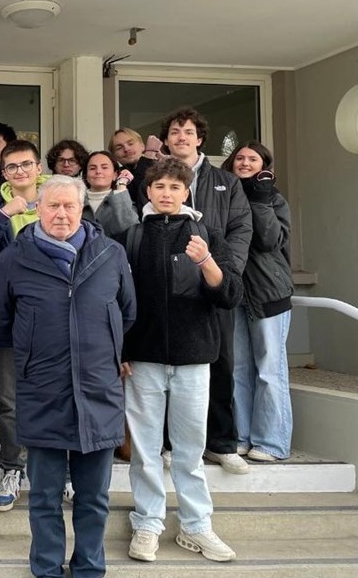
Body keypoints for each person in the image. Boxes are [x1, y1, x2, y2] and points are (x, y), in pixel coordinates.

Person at [0, 175, 135, 578]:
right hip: (42, 391)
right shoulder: (13, 259)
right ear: (37, 206)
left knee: (93, 497)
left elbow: (128, 313)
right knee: (45, 496)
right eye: (53, 205)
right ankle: (47, 568)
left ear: (82, 208)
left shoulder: (110, 254)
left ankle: (90, 568)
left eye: (70, 206)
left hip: (97, 392)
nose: (61, 214)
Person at [121, 158, 243, 564]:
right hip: (143, 359)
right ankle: (147, 522)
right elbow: (119, 302)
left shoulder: (206, 234)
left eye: (175, 186)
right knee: (146, 449)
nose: (167, 193)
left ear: (186, 191)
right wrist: (120, 352)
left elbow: (229, 296)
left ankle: (196, 526)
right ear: (148, 192)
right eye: (160, 187)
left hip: (194, 358)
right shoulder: (131, 238)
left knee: (191, 450)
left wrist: (206, 260)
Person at [160, 107, 252, 474]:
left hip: (214, 286)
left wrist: (226, 274)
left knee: (221, 363)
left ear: (200, 139)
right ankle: (171, 444)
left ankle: (221, 443)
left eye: (188, 132)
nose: (181, 137)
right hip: (170, 290)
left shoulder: (225, 182)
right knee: (170, 365)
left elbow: (241, 230)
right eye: (174, 132)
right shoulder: (154, 178)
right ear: (166, 140)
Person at [0, 140, 47, 511]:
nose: (20, 172)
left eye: (26, 165)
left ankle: (59, 469)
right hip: (7, 311)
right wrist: (5, 214)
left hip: (54, 315)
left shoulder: (61, 196)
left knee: (54, 393)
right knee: (10, 401)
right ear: (3, 173)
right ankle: (12, 468)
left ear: (39, 167)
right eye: (12, 167)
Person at [222, 142, 295, 462]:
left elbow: (269, 240)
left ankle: (271, 442)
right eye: (240, 157)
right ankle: (242, 436)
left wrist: (261, 199)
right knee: (238, 368)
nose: (245, 162)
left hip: (268, 293)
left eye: (253, 159)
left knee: (269, 369)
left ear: (265, 165)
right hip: (235, 292)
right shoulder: (224, 196)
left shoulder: (273, 199)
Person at [81, 150, 139, 239]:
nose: (98, 171)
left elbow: (130, 231)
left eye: (104, 167)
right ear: (86, 176)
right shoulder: (76, 201)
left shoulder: (125, 202)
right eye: (92, 168)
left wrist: (121, 185)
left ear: (115, 175)